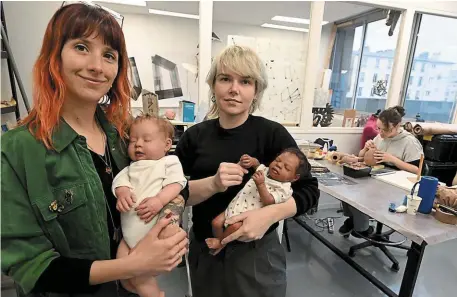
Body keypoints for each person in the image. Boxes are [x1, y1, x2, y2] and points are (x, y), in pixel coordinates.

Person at [1, 4, 188, 297]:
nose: (97, 66)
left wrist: (173, 212)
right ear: (54, 56)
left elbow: (169, 178)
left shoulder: (123, 135)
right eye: (81, 47)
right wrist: (132, 266)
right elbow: (30, 267)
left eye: (109, 55)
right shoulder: (17, 150)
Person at [174, 45, 319, 297]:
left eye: (245, 81)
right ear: (213, 85)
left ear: (256, 90)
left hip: (256, 254)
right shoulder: (195, 137)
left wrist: (270, 215)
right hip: (206, 248)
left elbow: (309, 189)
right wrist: (212, 184)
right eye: (225, 79)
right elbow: (174, 192)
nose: (234, 89)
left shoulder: (272, 135)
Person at [113, 115, 187, 297]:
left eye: (146, 140)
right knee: (121, 269)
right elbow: (120, 182)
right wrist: (122, 193)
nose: (138, 144)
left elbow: (177, 183)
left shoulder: (168, 162)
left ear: (167, 144)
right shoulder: (130, 168)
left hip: (151, 232)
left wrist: (159, 200)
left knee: (141, 276)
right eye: (133, 140)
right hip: (129, 236)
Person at [339, 106, 423, 237]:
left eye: (385, 130)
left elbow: (418, 170)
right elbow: (362, 156)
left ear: (396, 126)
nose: (381, 133)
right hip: (378, 177)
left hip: (396, 186)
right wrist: (366, 149)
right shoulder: (381, 137)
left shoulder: (410, 142)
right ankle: (355, 220)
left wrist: (393, 160)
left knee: (360, 196)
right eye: (379, 129)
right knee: (347, 186)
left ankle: (361, 227)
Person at [206, 148, 308, 255]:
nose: (279, 165)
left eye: (286, 168)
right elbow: (257, 165)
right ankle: (219, 240)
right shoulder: (265, 171)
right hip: (235, 206)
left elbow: (269, 202)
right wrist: (251, 160)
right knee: (216, 222)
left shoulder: (284, 189)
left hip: (246, 218)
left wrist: (261, 185)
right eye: (278, 160)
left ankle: (221, 242)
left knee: (234, 228)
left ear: (295, 178)